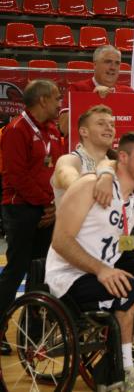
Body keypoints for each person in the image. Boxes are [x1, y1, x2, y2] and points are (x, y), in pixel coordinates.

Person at [45, 132, 134, 392]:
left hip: (102, 272)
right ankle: (123, 370)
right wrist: (102, 269)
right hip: (69, 274)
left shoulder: (133, 199)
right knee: (126, 290)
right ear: (123, 158)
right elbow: (60, 241)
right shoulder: (89, 186)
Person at [0, 80, 65, 320]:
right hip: (21, 209)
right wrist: (46, 203)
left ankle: (33, 330)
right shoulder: (17, 129)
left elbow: (57, 171)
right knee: (16, 270)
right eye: (57, 98)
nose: (60, 103)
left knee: (40, 271)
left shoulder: (52, 130)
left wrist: (54, 204)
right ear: (43, 100)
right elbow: (15, 175)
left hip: (46, 208)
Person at [51, 105, 115, 206]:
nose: (109, 128)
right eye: (101, 123)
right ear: (84, 131)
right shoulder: (70, 160)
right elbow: (73, 182)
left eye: (112, 125)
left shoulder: (116, 165)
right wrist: (105, 177)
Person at [68, 45, 134, 98]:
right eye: (108, 62)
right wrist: (93, 97)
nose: (113, 67)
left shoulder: (129, 93)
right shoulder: (77, 89)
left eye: (117, 63)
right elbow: (65, 116)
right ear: (95, 64)